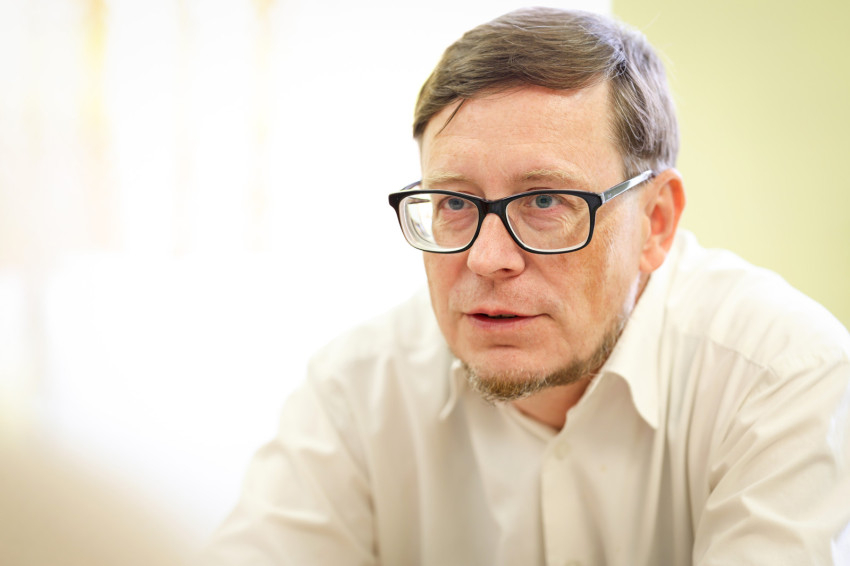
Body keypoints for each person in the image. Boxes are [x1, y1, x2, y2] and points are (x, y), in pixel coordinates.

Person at [203, 7, 850, 565]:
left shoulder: (780, 373)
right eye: (454, 203)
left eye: (545, 200)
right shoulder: (359, 389)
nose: (487, 259)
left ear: (655, 222)